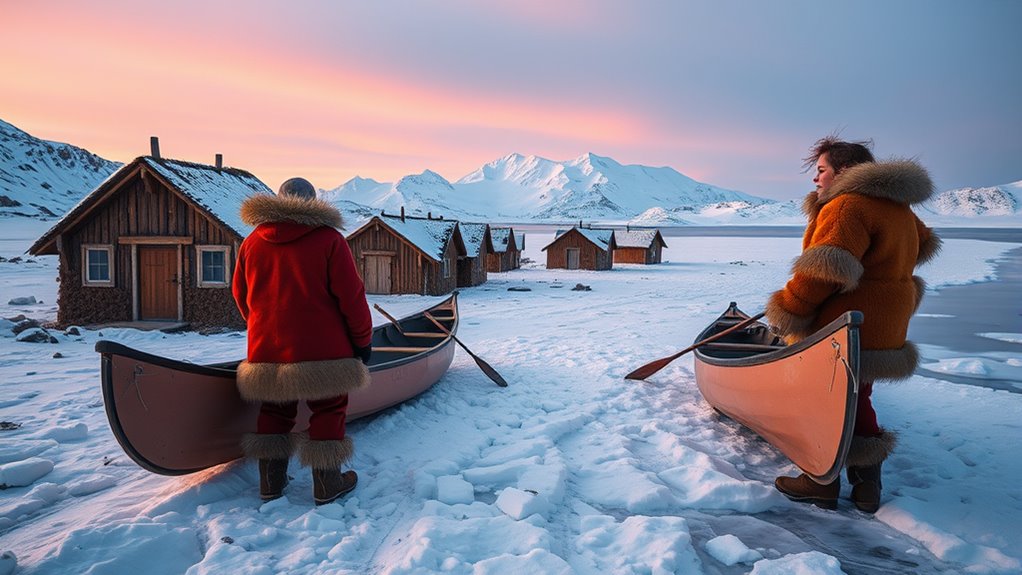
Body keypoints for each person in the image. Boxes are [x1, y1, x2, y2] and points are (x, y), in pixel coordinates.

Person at [766, 137, 941, 513]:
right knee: (858, 397)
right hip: (883, 326)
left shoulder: (848, 205)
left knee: (824, 399)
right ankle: (866, 487)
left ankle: (820, 482)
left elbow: (824, 271)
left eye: (822, 170)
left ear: (843, 172)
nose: (816, 180)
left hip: (842, 328)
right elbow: (923, 245)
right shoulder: (899, 208)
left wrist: (789, 307)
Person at [232, 177, 373, 505]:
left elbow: (242, 296)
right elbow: (352, 298)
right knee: (329, 408)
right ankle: (327, 483)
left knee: (275, 409)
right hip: (324, 351)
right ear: (312, 203)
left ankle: (271, 483)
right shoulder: (328, 240)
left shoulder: (252, 242)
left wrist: (263, 327)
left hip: (267, 348)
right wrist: (362, 341)